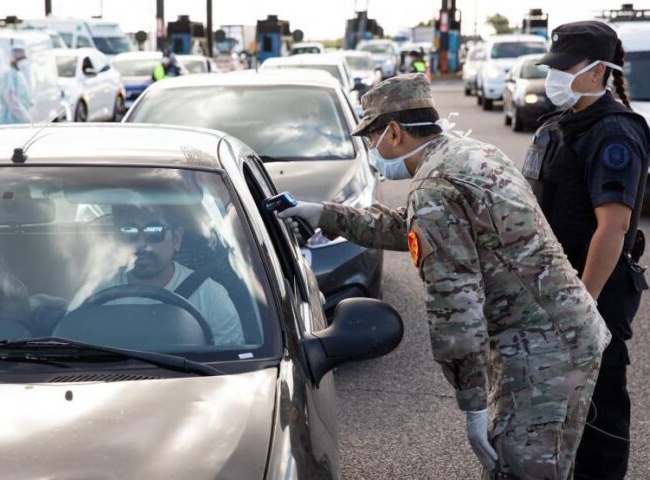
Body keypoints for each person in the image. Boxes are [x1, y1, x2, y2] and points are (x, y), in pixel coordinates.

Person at [279, 73, 611, 479]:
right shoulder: (467, 154)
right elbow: (415, 227)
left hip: (543, 351)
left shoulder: (435, 186)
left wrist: (473, 405)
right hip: (558, 334)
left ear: (395, 133)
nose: (371, 150)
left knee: (524, 471)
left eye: (371, 138)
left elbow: (456, 308)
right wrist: (325, 214)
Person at [524, 21, 650, 480]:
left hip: (590, 295)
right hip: (556, 292)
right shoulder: (563, 124)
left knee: (598, 418)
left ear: (598, 71)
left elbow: (612, 229)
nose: (553, 76)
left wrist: (581, 306)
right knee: (556, 412)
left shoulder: (613, 132)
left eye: (565, 67)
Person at [68, 205, 244, 345]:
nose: (142, 243)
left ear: (177, 239)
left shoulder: (211, 296)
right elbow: (71, 353)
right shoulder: (94, 293)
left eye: (154, 231)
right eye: (129, 231)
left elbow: (233, 366)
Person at [0, 46, 33, 124]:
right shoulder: (7, 74)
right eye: (20, 59)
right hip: (9, 120)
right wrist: (25, 118)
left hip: (16, 120)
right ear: (13, 60)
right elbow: (11, 101)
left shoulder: (16, 73)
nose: (23, 61)